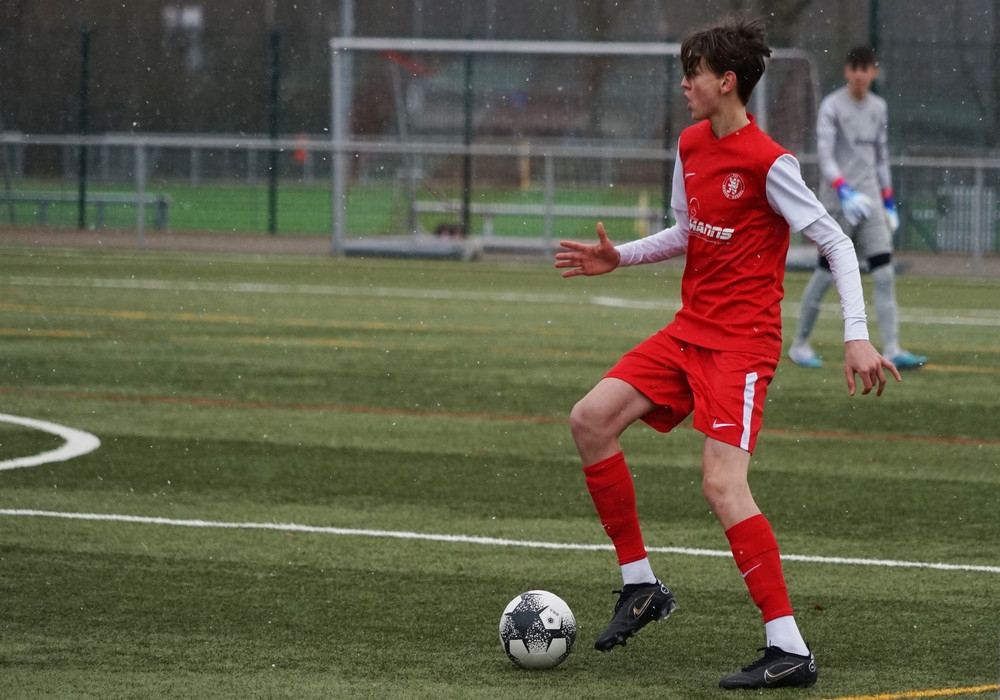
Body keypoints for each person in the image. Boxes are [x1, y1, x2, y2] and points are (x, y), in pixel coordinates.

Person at [554, 16, 901, 690]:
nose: (685, 84)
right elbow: (688, 231)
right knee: (590, 420)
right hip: (689, 332)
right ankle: (641, 585)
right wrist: (620, 257)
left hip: (741, 347)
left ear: (727, 82)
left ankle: (789, 647)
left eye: (695, 74)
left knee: (722, 485)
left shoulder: (770, 163)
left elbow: (836, 242)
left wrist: (856, 334)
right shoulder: (690, 143)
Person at [788, 46, 927, 370]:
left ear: (874, 72)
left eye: (866, 68)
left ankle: (891, 348)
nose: (860, 74)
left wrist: (888, 200)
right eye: (855, 68)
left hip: (871, 201)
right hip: (840, 204)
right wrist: (844, 190)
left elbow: (880, 157)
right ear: (847, 71)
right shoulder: (832, 106)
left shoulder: (879, 107)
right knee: (826, 274)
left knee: (884, 272)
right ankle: (799, 345)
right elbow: (825, 156)